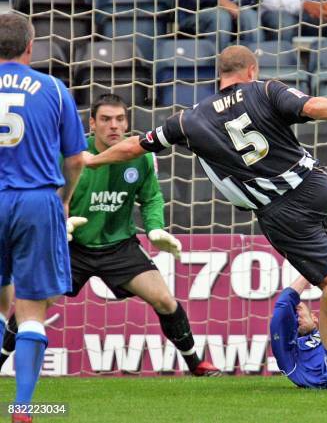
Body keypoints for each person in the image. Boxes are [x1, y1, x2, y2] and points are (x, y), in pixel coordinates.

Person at [83, 45, 327, 367]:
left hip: (278, 214)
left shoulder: (188, 121)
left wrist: (93, 162)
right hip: (309, 183)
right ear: (251, 70)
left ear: (219, 74)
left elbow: (133, 147)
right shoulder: (266, 89)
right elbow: (312, 106)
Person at [0, 94, 220, 378]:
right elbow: (43, 194)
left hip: (119, 246)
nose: (113, 126)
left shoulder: (139, 157)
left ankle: (196, 364)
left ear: (127, 123)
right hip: (70, 245)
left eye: (119, 119)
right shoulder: (70, 155)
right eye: (105, 119)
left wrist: (155, 228)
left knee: (165, 300)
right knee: (34, 301)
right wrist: (57, 224)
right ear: (92, 123)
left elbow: (151, 197)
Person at [0, 13, 87, 423]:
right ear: (30, 47)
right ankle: (22, 408)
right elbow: (74, 158)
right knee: (32, 309)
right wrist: (66, 199)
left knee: (2, 305)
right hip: (37, 200)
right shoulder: (53, 88)